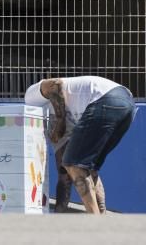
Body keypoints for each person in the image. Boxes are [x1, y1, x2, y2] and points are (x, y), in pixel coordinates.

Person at [25, 75, 136, 215]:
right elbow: (64, 174)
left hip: (104, 99)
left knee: (74, 165)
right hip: (126, 105)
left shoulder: (30, 99)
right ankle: (102, 217)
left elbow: (54, 83)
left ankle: (94, 221)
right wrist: (59, 213)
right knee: (87, 168)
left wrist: (60, 121)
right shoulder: (67, 125)